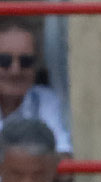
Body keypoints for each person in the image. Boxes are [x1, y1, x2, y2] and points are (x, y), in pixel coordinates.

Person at [0, 20, 70, 153]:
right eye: (4, 61)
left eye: (26, 62)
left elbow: (63, 154)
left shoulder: (46, 100)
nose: (15, 71)